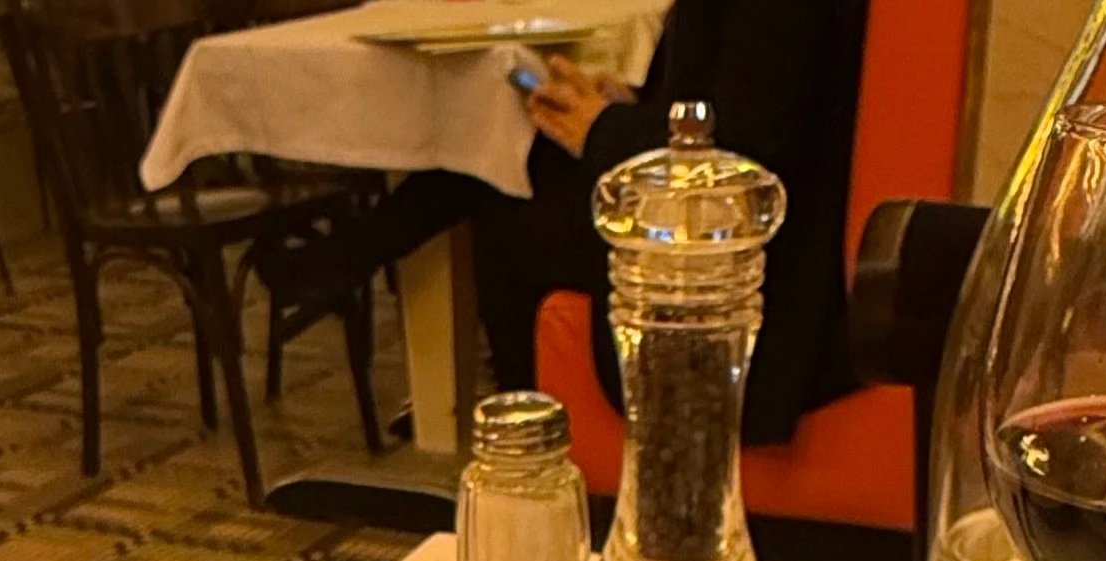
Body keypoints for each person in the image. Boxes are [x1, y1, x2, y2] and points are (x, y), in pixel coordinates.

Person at [265, 0, 870, 445]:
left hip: (749, 257)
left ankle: (528, 442)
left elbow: (746, 146)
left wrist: (606, 130)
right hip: (724, 212)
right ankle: (349, 262)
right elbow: (734, 101)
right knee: (509, 159)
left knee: (506, 206)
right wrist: (628, 110)